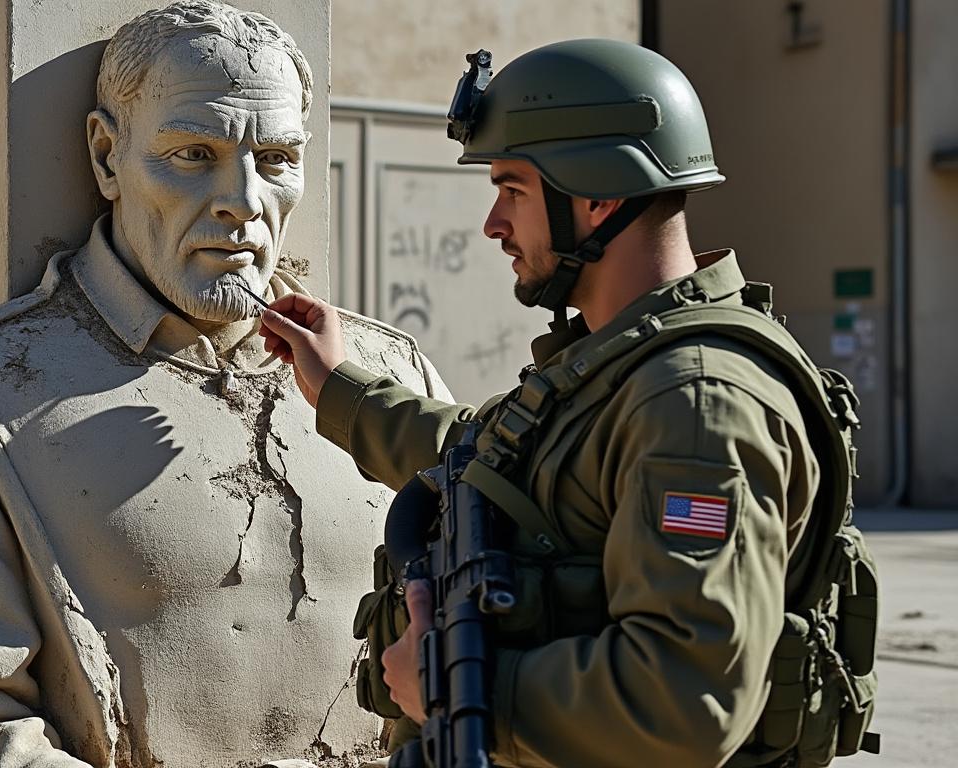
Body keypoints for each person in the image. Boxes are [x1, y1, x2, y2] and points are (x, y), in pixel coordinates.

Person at [0, 2, 449, 766]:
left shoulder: (390, 375)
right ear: (106, 156)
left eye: (277, 158)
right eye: (194, 153)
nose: (245, 201)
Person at [260, 39, 877, 767]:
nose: (494, 224)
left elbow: (685, 701)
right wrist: (339, 387)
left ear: (600, 196)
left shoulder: (698, 403)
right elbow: (489, 458)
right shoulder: (617, 362)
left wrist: (463, 689)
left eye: (513, 190)